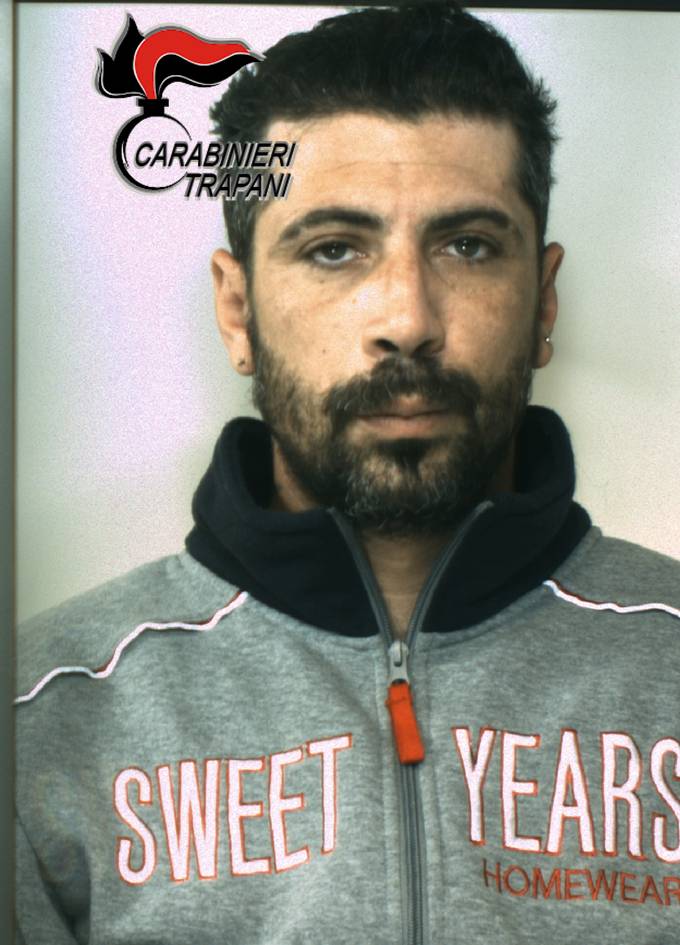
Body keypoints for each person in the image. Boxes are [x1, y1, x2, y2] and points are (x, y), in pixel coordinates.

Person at [15, 3, 680, 943]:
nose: (407, 318)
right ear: (238, 310)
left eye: (468, 245)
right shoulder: (41, 713)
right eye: (334, 249)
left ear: (543, 299)